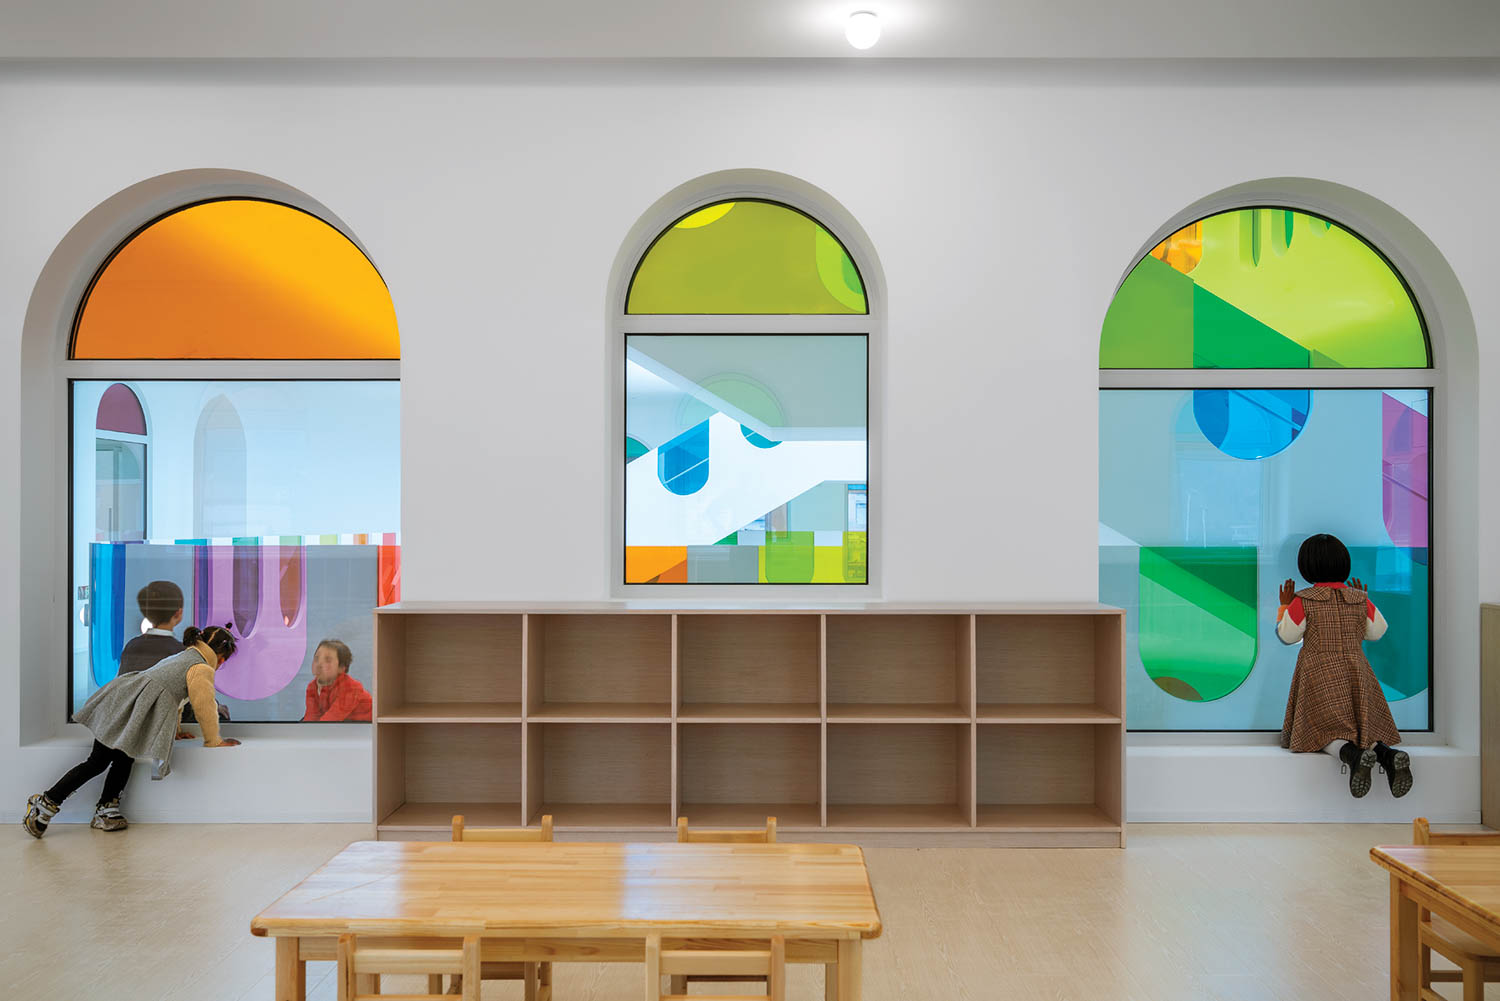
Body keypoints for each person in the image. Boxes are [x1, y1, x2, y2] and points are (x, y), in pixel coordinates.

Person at [22, 625, 241, 838]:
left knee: (125, 757)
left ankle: (106, 808)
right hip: (126, 709)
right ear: (221, 658)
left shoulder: (186, 657)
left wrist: (176, 730)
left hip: (125, 704)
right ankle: (46, 803)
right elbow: (204, 706)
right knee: (98, 761)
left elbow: (176, 699)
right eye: (224, 662)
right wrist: (214, 740)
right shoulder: (200, 667)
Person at [1277, 533, 1412, 799]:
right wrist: (1363, 601)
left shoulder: (1303, 600)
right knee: (1360, 725)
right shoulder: (1360, 598)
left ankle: (1353, 756)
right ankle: (1387, 754)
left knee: (1322, 729)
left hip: (1319, 671)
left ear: (1307, 567)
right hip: (1356, 669)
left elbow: (1287, 635)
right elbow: (1377, 631)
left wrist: (1283, 607)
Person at [118, 580, 230, 726]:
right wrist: (217, 707)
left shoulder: (131, 646)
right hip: (165, 721)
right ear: (179, 613)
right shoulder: (182, 652)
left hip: (132, 719)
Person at [302, 639, 372, 722]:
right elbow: (310, 718)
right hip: (340, 726)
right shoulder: (312, 687)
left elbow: (331, 720)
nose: (319, 664)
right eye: (316, 658)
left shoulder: (351, 688)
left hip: (366, 729)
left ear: (341, 668)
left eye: (327, 660)